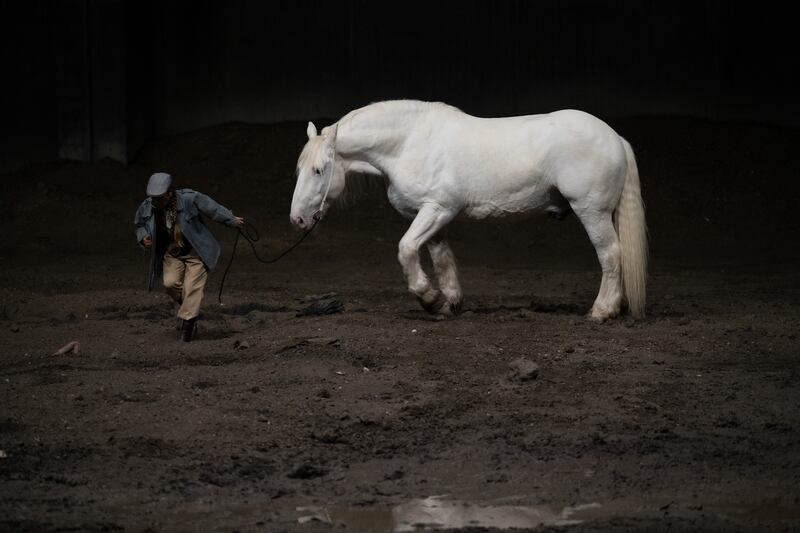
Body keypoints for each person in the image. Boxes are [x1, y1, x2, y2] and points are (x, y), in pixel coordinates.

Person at [134, 172, 244, 342]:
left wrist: (230, 220)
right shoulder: (149, 206)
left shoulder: (189, 199)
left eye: (160, 198)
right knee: (170, 284)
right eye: (153, 198)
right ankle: (189, 309)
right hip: (172, 253)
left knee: (192, 287)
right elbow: (140, 223)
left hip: (196, 252)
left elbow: (212, 208)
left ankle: (187, 328)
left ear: (170, 192)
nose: (156, 202)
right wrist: (143, 236)